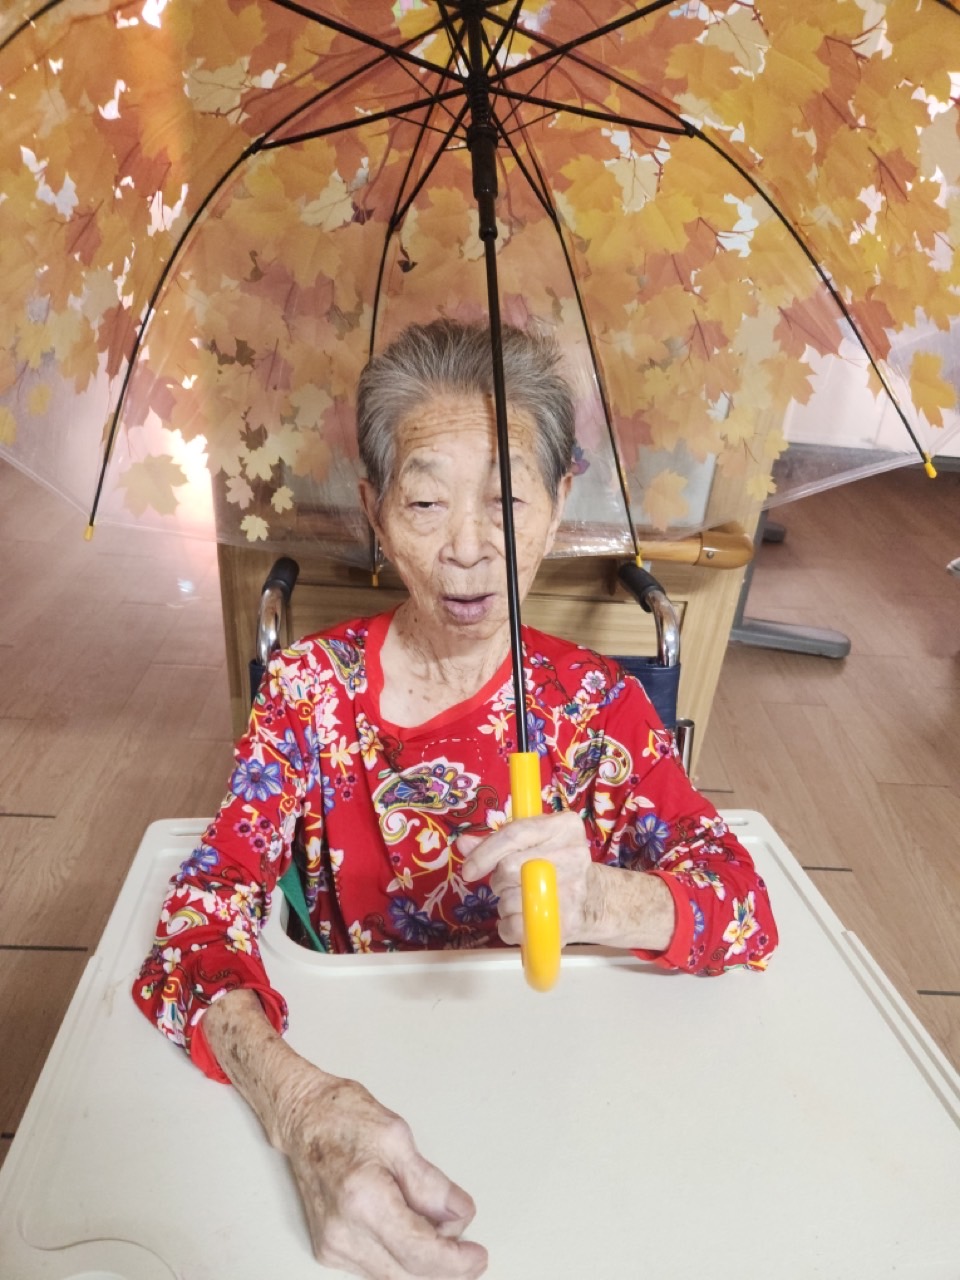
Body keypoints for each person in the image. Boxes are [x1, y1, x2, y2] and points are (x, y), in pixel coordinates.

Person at [134, 319, 778, 1280]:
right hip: (360, 1082)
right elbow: (196, 920)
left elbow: (744, 907)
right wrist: (302, 1110)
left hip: (565, 1094)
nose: (470, 547)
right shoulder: (310, 694)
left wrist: (603, 899)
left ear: (559, 506)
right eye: (427, 501)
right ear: (375, 511)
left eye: (508, 501)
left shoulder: (597, 709)